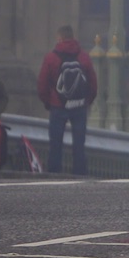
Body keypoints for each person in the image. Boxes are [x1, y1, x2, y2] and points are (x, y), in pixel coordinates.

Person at [36, 25, 98, 175]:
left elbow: (42, 85)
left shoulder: (50, 58)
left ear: (60, 38)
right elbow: (93, 84)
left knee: (55, 144)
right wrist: (85, 102)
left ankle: (54, 176)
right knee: (79, 145)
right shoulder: (84, 57)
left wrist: (49, 102)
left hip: (58, 106)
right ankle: (80, 176)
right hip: (79, 107)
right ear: (72, 37)